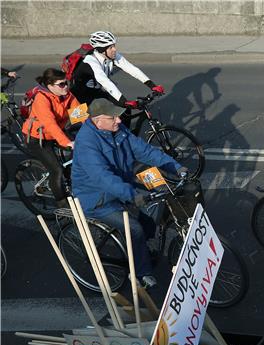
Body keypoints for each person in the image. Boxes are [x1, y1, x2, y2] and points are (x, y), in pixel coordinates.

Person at [71, 99, 187, 289]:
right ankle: (142, 274)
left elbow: (146, 151)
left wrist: (176, 167)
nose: (119, 120)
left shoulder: (117, 130)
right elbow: (103, 177)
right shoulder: (87, 143)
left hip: (121, 183)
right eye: (113, 117)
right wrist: (132, 195)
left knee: (155, 205)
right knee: (134, 229)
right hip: (96, 198)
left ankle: (142, 245)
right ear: (98, 121)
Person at [20, 68, 80, 206]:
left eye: (67, 82)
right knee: (56, 170)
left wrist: (98, 130)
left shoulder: (68, 95)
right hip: (37, 138)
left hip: (56, 133)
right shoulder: (42, 98)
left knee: (81, 150)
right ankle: (62, 206)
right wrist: (67, 143)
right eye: (61, 84)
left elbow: (81, 117)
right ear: (50, 86)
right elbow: (50, 124)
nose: (66, 86)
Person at [70, 31, 165, 108]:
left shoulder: (111, 56)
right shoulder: (90, 61)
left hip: (96, 91)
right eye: (111, 47)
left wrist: (152, 86)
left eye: (114, 46)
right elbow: (105, 82)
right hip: (80, 96)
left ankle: (123, 132)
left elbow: (132, 69)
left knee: (124, 111)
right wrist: (124, 101)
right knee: (79, 123)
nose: (115, 49)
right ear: (102, 50)